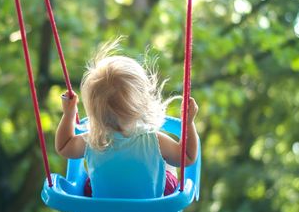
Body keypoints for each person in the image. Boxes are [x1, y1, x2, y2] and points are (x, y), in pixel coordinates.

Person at [55, 41, 199, 199]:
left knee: (90, 182)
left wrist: (68, 114)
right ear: (143, 103)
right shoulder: (155, 141)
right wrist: (189, 123)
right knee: (169, 165)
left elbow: (63, 146)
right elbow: (188, 157)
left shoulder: (92, 141)